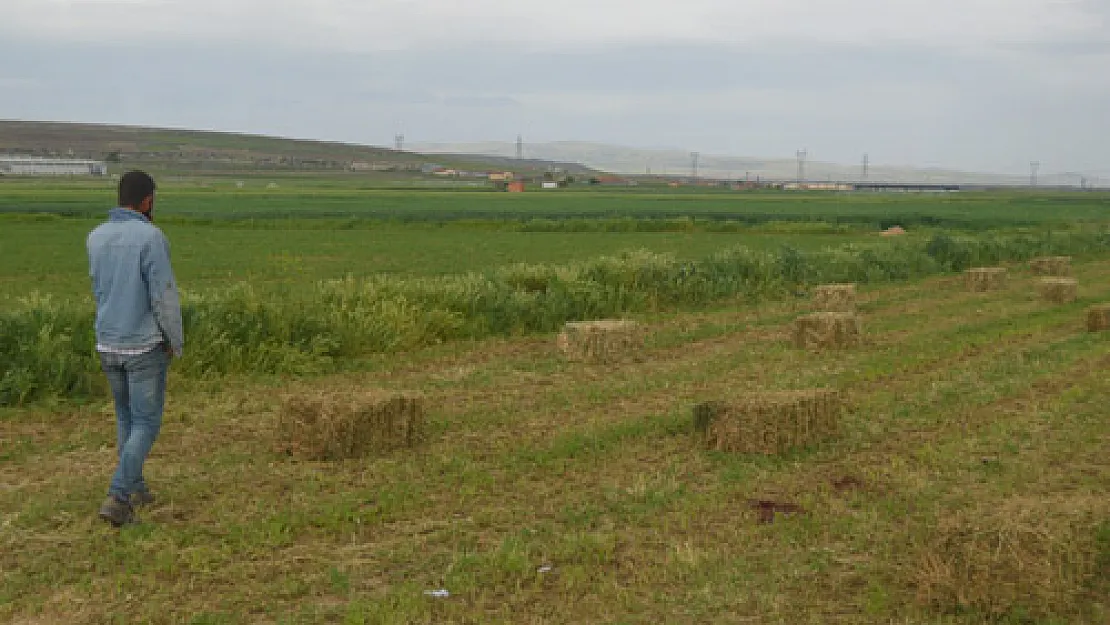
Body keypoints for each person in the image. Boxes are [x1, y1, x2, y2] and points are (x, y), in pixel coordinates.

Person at [87, 170, 184, 527]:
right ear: (146, 201)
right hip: (143, 346)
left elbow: (99, 291)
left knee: (126, 418)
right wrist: (174, 339)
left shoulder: (95, 237)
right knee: (146, 421)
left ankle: (137, 486)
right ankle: (118, 496)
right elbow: (163, 296)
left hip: (107, 341)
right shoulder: (151, 238)